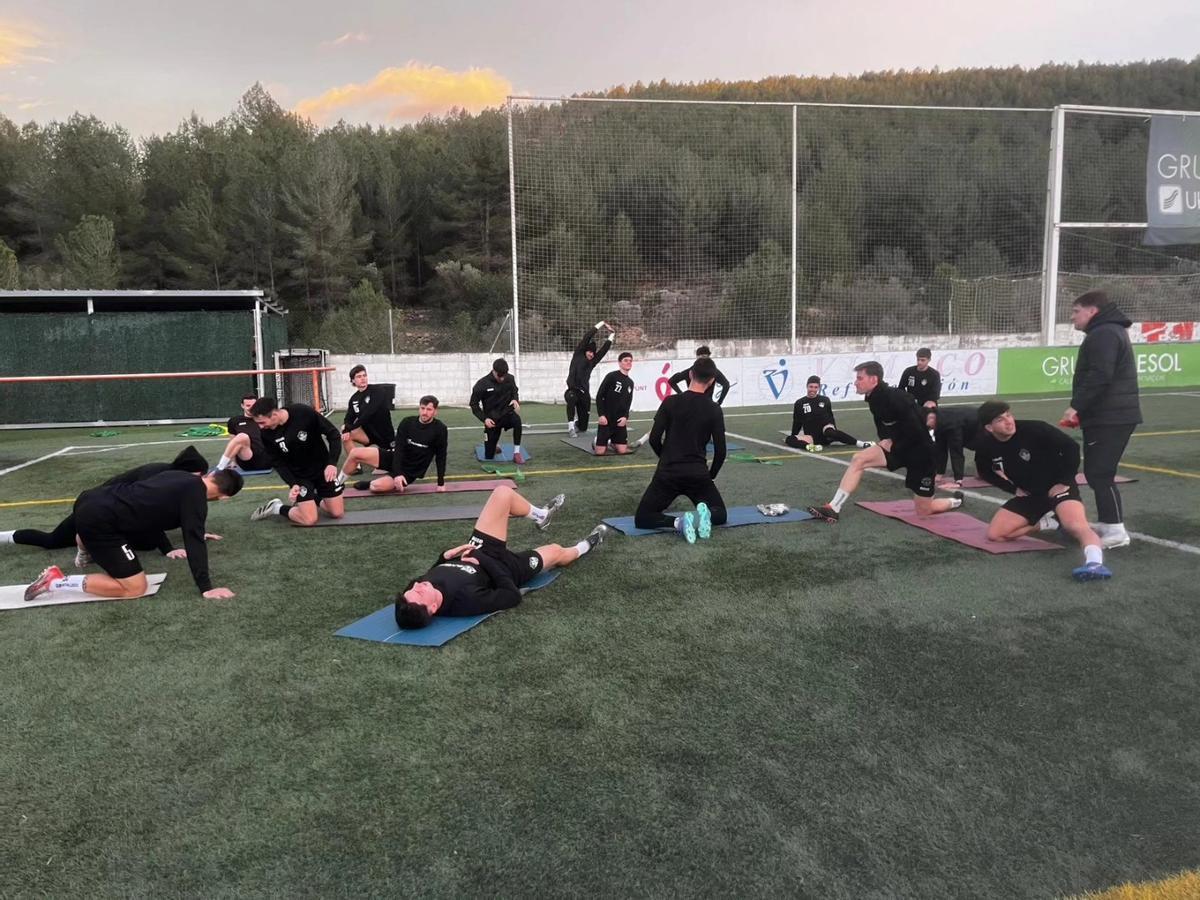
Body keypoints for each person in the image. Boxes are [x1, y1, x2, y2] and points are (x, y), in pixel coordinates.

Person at [392, 485, 604, 629]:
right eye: (418, 594)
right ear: (432, 609)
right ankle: (587, 545)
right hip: (507, 568)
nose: (417, 586)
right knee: (557, 551)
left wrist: (444, 557)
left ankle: (542, 516)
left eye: (413, 590)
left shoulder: (417, 587)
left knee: (503, 493)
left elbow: (435, 572)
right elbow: (511, 596)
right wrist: (481, 559)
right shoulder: (465, 601)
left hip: (479, 547)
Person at [23, 468, 243, 603]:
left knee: (120, 532)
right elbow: (193, 541)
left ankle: (84, 544)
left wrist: (192, 532)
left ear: (212, 474)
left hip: (92, 499)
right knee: (135, 588)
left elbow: (152, 510)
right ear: (224, 498)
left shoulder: (180, 477)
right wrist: (207, 587)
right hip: (100, 522)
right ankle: (56, 582)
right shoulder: (195, 499)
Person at [1, 446, 213, 566]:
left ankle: (90, 545)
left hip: (108, 511)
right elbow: (152, 516)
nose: (201, 480)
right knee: (51, 540)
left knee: (146, 540)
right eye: (200, 475)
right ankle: (5, 537)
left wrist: (196, 531)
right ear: (189, 472)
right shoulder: (159, 475)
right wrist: (168, 549)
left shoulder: (170, 475)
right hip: (95, 510)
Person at [807, 361, 963, 523]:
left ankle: (956, 501)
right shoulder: (873, 398)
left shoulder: (896, 397)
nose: (855, 382)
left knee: (924, 510)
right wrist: (886, 439)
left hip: (921, 455)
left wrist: (895, 444)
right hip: (899, 448)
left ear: (873, 380)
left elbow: (917, 430)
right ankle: (834, 508)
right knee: (859, 459)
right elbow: (882, 424)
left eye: (860, 378)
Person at [974, 400, 1111, 581]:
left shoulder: (1035, 429)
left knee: (1075, 526)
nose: (1009, 421)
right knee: (996, 535)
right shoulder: (985, 445)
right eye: (1000, 419)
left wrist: (1064, 481)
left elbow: (1071, 447)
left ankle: (1095, 564)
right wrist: (1013, 489)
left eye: (1009, 414)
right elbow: (984, 471)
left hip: (1058, 488)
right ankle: (1049, 523)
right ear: (990, 428)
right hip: (1031, 494)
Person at [1061, 290, 1142, 549]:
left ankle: (1117, 531)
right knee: (1098, 473)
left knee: (1100, 473)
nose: (1072, 317)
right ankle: (1109, 523)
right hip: (1109, 415)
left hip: (1111, 416)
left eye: (1076, 311)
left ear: (1092, 311)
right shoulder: (1107, 331)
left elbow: (1100, 375)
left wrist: (1075, 407)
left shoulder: (1104, 333)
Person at [634, 356, 728, 542]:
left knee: (643, 517)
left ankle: (678, 522)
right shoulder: (714, 409)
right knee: (720, 514)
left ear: (691, 374)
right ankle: (704, 516)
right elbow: (721, 450)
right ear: (711, 381)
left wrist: (665, 459)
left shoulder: (670, 402)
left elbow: (654, 439)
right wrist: (711, 475)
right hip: (698, 474)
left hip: (668, 473)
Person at [248, 398, 345, 526]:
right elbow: (277, 462)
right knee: (309, 520)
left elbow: (333, 435)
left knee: (337, 513)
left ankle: (313, 499)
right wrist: (293, 483)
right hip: (300, 477)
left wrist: (332, 463)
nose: (260, 427)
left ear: (275, 415)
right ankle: (277, 507)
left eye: (262, 422)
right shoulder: (266, 433)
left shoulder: (303, 412)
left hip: (323, 470)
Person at [342, 395, 449, 493]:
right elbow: (398, 450)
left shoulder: (440, 429)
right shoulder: (407, 422)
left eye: (429, 409)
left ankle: (370, 483)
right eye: (422, 408)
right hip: (395, 459)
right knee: (355, 453)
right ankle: (338, 484)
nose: (425, 412)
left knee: (375, 487)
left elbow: (441, 456)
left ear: (435, 411)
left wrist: (441, 483)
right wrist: (397, 473)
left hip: (409, 472)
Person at [784, 376, 873, 452]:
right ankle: (809, 447)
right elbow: (797, 421)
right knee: (790, 439)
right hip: (812, 437)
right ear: (807, 386)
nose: (813, 389)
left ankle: (861, 443)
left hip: (826, 432)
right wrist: (794, 434)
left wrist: (835, 431)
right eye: (811, 387)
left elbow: (830, 416)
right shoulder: (800, 403)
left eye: (816, 387)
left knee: (830, 432)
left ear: (819, 388)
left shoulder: (825, 400)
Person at [470, 358, 525, 464]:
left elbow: (515, 391)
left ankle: (517, 453)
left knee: (517, 421)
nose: (502, 378)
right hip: (492, 420)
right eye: (500, 375)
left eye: (504, 375)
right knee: (489, 456)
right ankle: (493, 446)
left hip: (507, 414)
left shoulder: (510, 378)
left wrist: (515, 399)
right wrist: (484, 419)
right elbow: (474, 405)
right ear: (493, 371)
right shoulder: (482, 384)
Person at [565, 321, 614, 436]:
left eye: (593, 353)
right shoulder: (578, 355)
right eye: (590, 352)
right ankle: (571, 427)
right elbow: (587, 337)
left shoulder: (592, 362)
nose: (591, 354)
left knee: (583, 427)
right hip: (572, 390)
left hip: (584, 394)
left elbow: (603, 351)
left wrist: (612, 335)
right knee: (571, 398)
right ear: (585, 350)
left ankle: (578, 423)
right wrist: (601, 324)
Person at [341, 364, 396, 455]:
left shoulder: (378, 390)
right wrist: (346, 429)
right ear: (353, 381)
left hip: (384, 435)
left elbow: (369, 412)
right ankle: (356, 467)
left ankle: (387, 448)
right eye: (359, 376)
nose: (363, 378)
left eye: (364, 375)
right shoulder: (354, 399)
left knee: (390, 464)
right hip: (368, 435)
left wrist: (350, 427)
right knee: (345, 434)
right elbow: (348, 418)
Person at [215, 394, 274, 473]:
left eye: (253, 405)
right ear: (242, 406)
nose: (250, 408)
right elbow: (232, 442)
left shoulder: (264, 419)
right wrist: (233, 462)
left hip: (265, 460)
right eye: (248, 405)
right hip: (247, 460)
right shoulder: (234, 421)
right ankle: (220, 468)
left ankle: (219, 468)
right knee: (242, 437)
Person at [924, 406, 980, 488]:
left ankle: (961, 477)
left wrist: (958, 480)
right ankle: (940, 473)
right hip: (966, 422)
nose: (929, 429)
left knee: (982, 447)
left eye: (928, 427)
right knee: (939, 448)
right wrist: (939, 474)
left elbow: (956, 452)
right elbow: (941, 450)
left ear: (932, 417)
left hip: (978, 424)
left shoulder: (952, 426)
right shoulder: (938, 421)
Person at [594, 351, 636, 455]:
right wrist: (601, 415)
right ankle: (595, 441)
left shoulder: (630, 382)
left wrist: (625, 417)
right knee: (600, 453)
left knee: (622, 451)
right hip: (607, 420)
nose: (628, 362)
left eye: (630, 361)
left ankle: (613, 443)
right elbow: (599, 396)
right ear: (619, 363)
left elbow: (628, 402)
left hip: (619, 421)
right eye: (625, 360)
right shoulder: (612, 376)